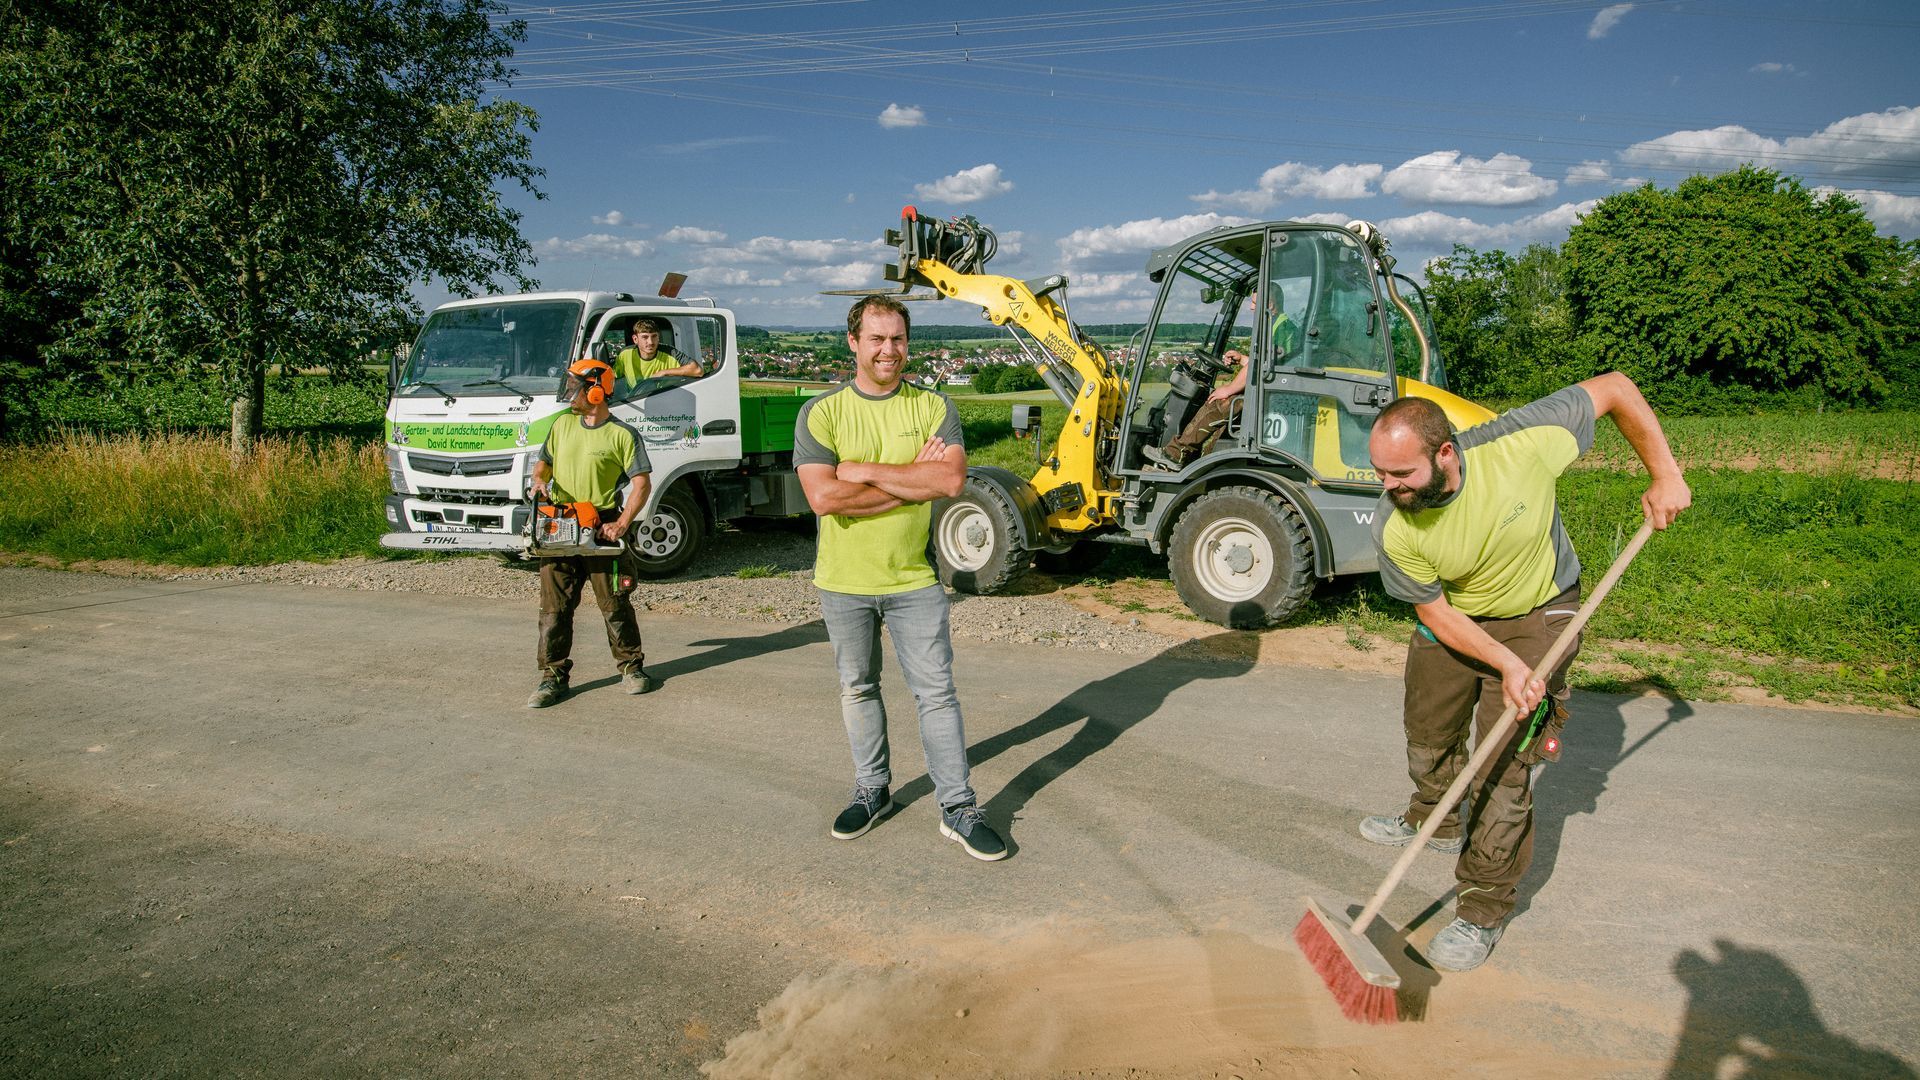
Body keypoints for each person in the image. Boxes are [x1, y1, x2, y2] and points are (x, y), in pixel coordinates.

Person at [1359, 372, 1690, 971]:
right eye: (1380, 473)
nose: (1389, 488)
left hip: (1539, 606)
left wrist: (1665, 473)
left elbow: (1615, 388)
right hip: (1457, 615)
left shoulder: (1521, 440)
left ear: (1445, 452)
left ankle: (1482, 907)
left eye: (1402, 474)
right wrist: (1505, 663)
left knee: (1501, 767)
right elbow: (1433, 610)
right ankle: (1434, 815)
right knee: (1428, 732)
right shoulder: (1393, 523)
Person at [791, 294, 1007, 862]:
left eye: (898, 339)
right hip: (842, 580)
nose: (890, 349)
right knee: (858, 687)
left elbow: (953, 483)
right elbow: (823, 497)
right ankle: (873, 791)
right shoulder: (821, 413)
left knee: (936, 695)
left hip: (915, 579)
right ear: (854, 343)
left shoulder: (933, 408)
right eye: (878, 339)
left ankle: (958, 807)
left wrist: (862, 472)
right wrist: (915, 477)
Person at [526, 357, 657, 709]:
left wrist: (622, 523)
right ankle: (552, 677)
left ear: (597, 391)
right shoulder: (561, 426)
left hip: (601, 525)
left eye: (576, 387)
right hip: (560, 523)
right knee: (554, 609)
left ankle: (631, 668)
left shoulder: (623, 434)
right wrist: (539, 479)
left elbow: (641, 484)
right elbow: (545, 461)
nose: (569, 394)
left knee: (614, 604)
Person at [1142, 292, 1296, 471]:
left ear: (1269, 303)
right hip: (1271, 391)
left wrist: (1229, 389)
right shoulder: (1278, 325)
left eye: (1254, 303)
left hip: (1270, 396)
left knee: (1219, 403)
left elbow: (1258, 365)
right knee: (1221, 424)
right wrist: (1242, 358)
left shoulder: (1280, 329)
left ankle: (1175, 454)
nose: (1251, 307)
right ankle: (1203, 464)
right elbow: (1266, 361)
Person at [614, 318, 702, 386]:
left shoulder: (669, 352)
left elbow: (697, 370)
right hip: (633, 401)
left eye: (654, 336)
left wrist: (664, 372)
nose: (651, 342)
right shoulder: (625, 354)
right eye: (645, 337)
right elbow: (614, 379)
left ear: (658, 337)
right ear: (635, 339)